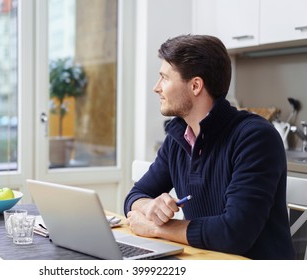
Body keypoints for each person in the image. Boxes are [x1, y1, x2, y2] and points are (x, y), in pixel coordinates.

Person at [124, 34, 295, 260]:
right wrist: (149, 207)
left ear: (195, 85)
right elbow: (135, 196)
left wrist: (157, 229)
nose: (156, 88)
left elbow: (234, 233)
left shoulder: (255, 138)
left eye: (164, 78)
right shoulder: (178, 137)